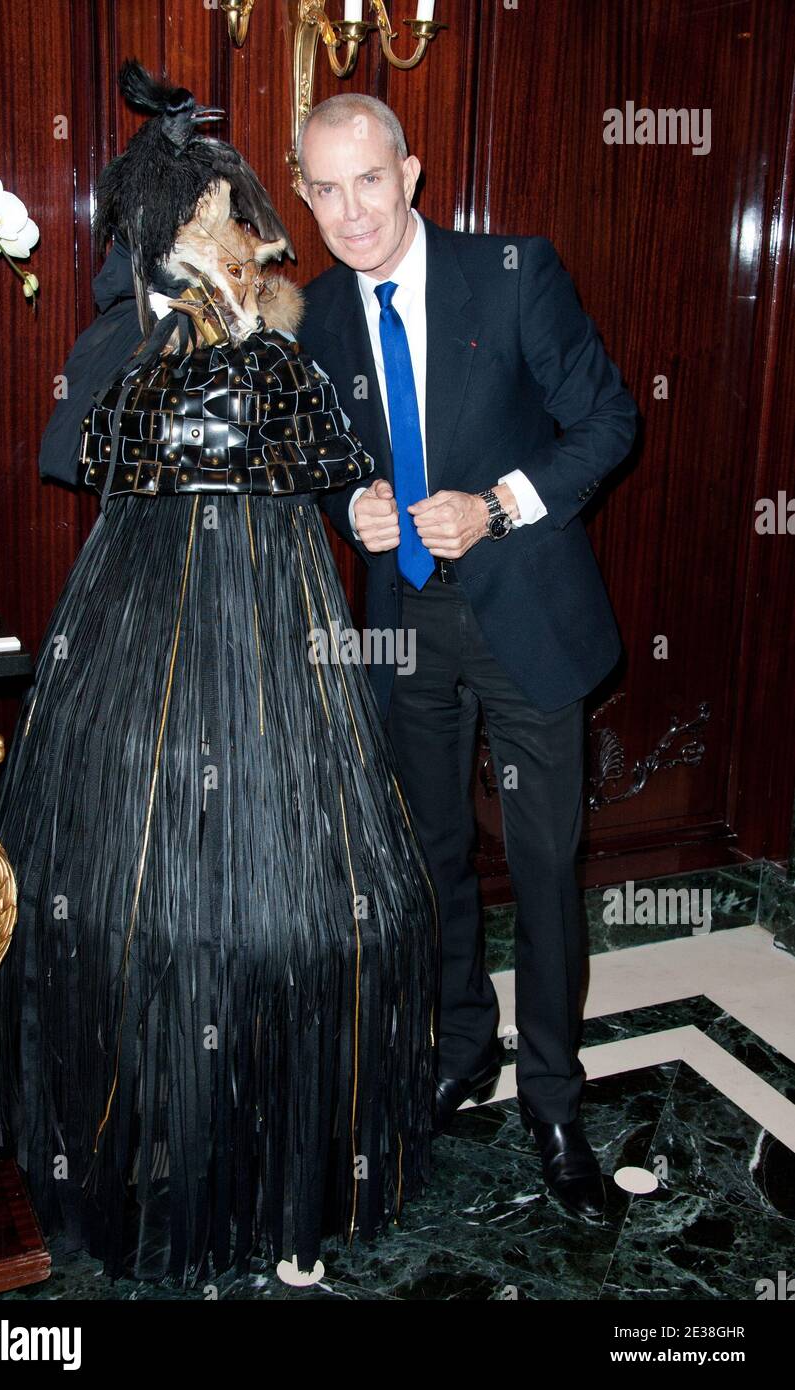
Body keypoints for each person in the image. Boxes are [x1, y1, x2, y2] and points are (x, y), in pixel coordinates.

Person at [0, 63, 437, 1287]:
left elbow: (336, 454)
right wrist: (173, 338)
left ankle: (273, 1145)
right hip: (143, 642)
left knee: (288, 889)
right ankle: (154, 1130)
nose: (235, 242)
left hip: (277, 629)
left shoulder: (284, 329)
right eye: (208, 223)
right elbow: (70, 451)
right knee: (137, 887)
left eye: (233, 220)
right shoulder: (126, 328)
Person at [296, 94, 638, 1221]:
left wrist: (498, 502)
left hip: (524, 615)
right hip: (402, 622)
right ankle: (459, 1043)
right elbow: (318, 459)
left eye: (370, 181)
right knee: (430, 853)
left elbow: (607, 421)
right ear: (304, 194)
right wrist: (352, 500)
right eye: (325, 189)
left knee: (540, 871)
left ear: (413, 171)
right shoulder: (314, 315)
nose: (352, 212)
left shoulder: (512, 270)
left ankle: (551, 1096)